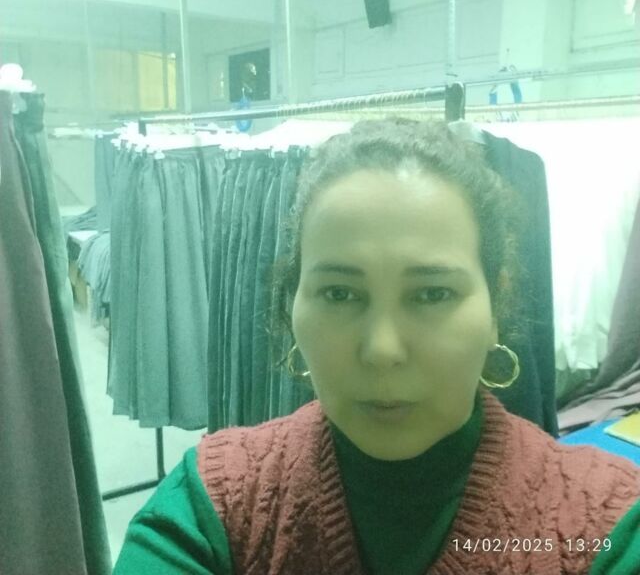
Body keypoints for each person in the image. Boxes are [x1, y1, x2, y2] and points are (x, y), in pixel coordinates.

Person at [114, 119, 640, 574]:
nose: (382, 350)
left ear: (495, 309)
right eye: (339, 294)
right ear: (291, 304)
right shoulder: (214, 506)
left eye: (432, 294)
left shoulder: (606, 524)